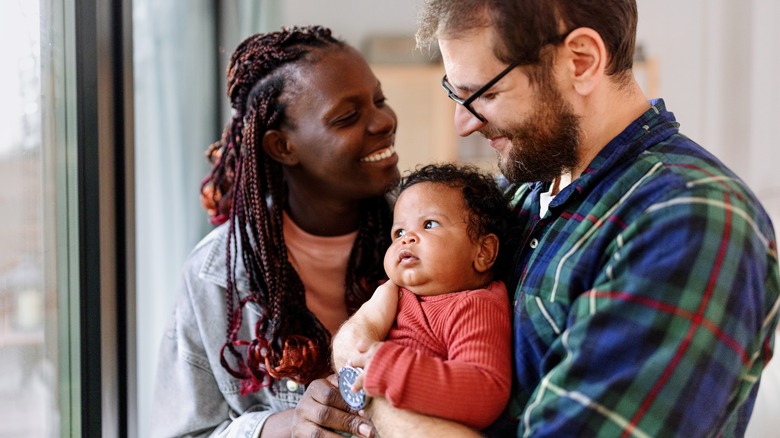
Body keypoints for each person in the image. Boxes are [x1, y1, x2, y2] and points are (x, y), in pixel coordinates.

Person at [332, 1, 780, 437]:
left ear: (580, 61)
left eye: (486, 93)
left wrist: (370, 396)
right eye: (457, 94)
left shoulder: (688, 220)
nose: (463, 125)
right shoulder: (520, 192)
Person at [151, 25, 400, 437]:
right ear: (282, 146)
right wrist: (282, 427)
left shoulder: (434, 233)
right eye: (348, 117)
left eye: (379, 100)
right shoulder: (215, 277)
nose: (384, 121)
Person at [338, 163, 513, 430]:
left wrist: (391, 367)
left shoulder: (473, 305)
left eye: (429, 224)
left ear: (483, 252)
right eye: (398, 232)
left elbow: (485, 390)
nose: (406, 239)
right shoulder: (393, 295)